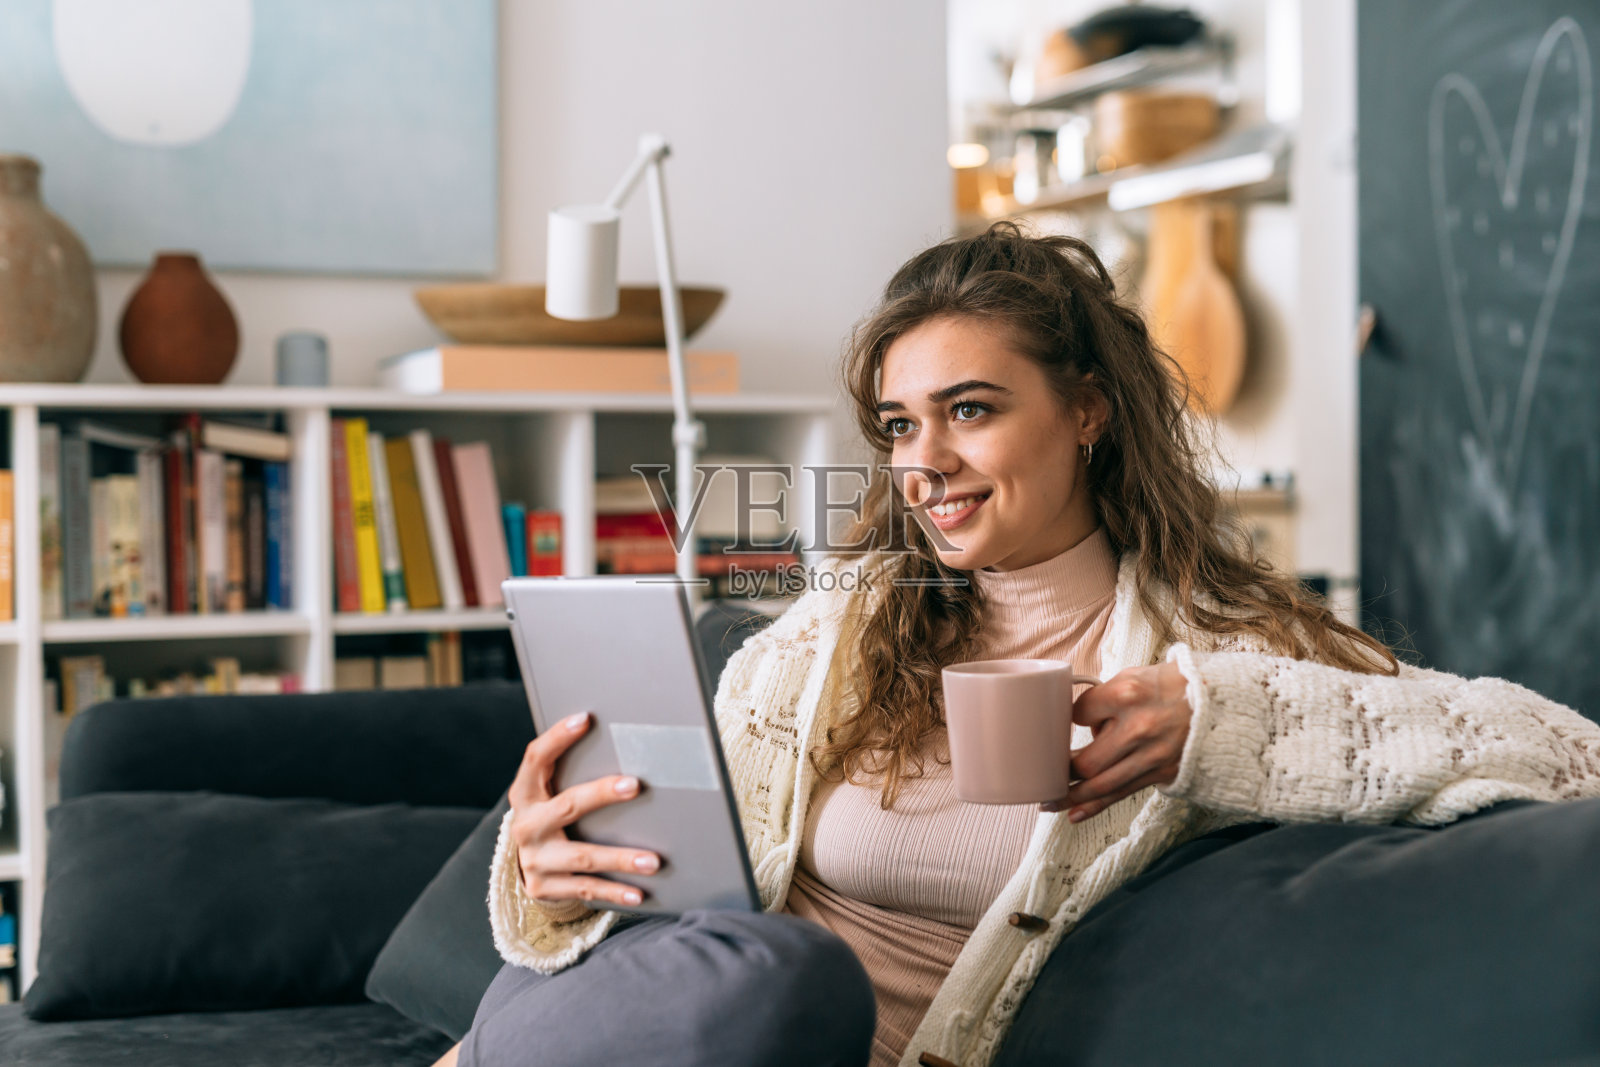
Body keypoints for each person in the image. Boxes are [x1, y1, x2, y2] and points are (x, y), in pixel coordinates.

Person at [440, 222, 1600, 1067]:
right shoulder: (838, 622)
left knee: (785, 980)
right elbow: (693, 923)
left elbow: (1566, 752)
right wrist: (558, 876)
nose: (923, 459)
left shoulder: (1216, 648)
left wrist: (1220, 718)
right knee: (766, 967)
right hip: (696, 1022)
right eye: (901, 424)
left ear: (1087, 411)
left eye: (972, 408)